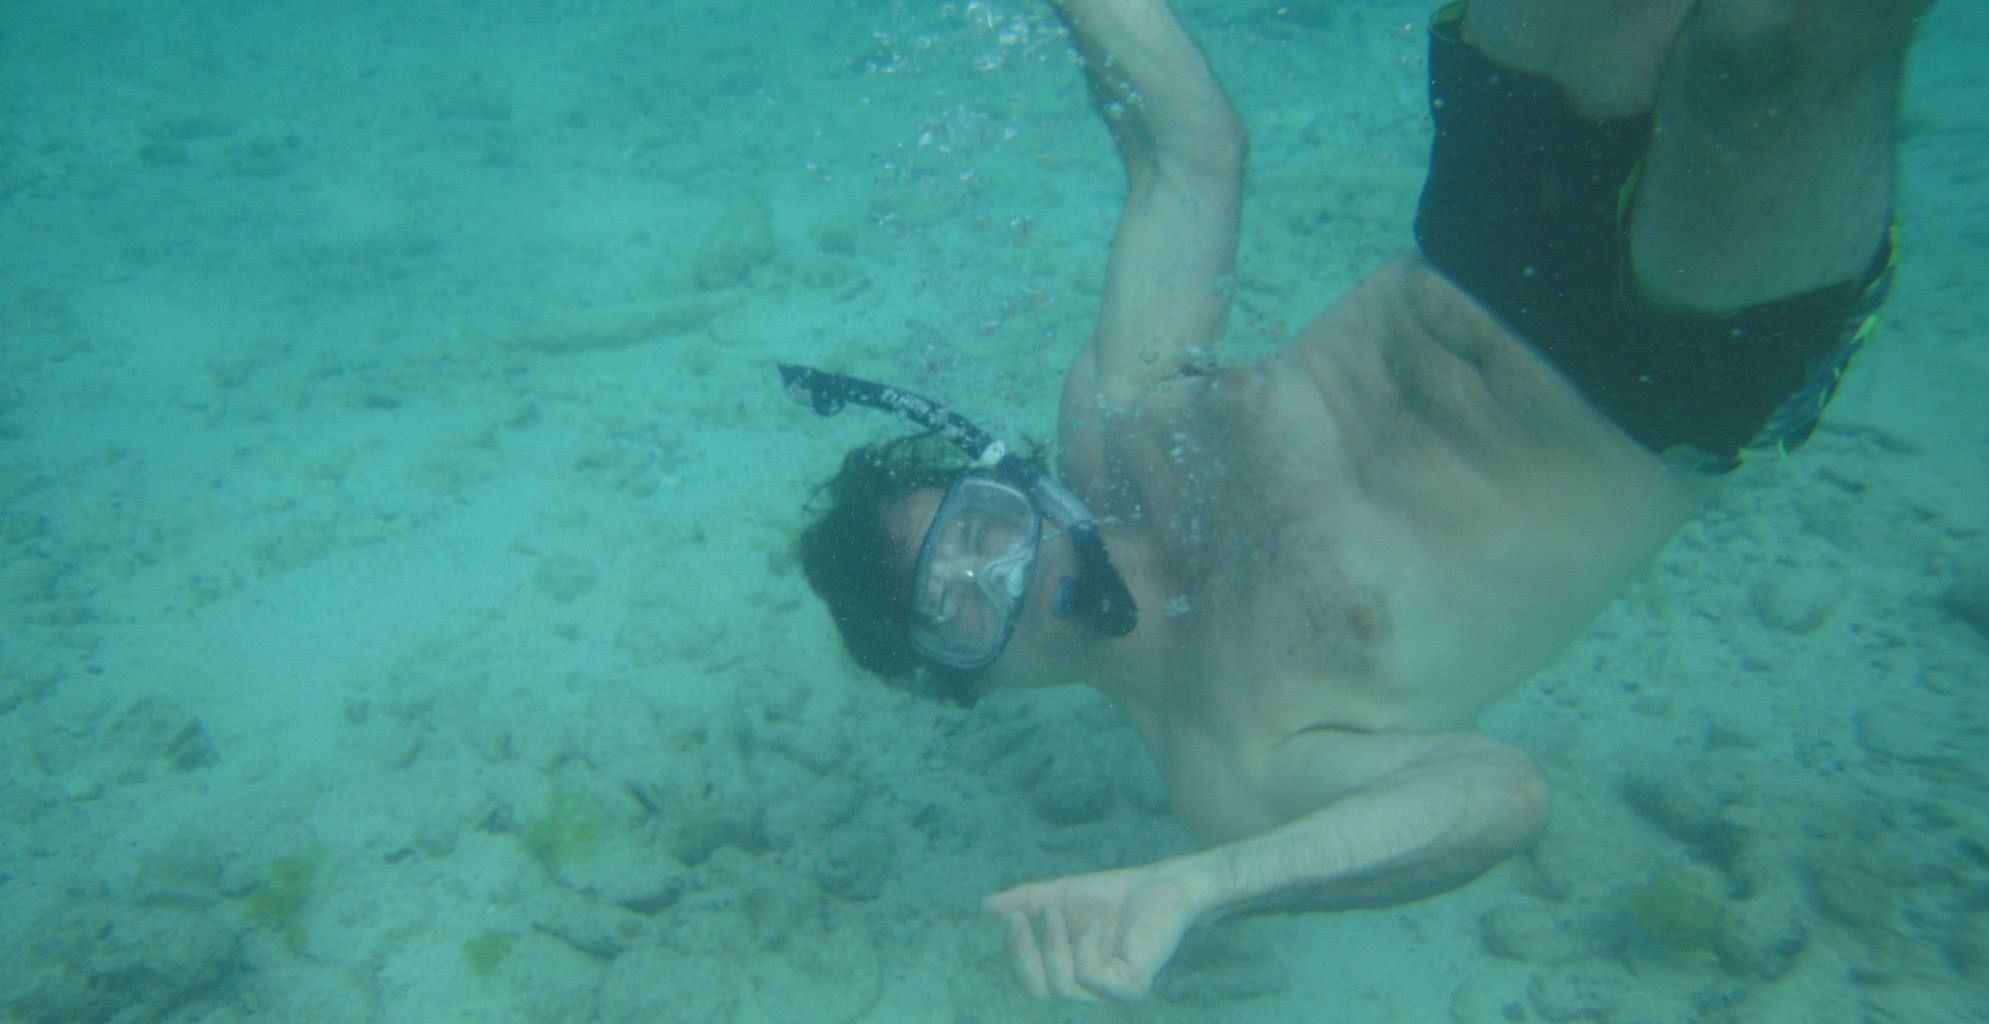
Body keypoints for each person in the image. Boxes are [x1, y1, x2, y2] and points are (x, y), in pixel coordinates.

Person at [785, 0, 1922, 1004]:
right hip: (1663, 379)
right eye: (962, 606)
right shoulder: (1224, 761)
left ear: (1011, 476)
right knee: (1763, 44)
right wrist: (1198, 888)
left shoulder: (1113, 421)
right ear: (971, 682)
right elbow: (1493, 793)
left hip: (1480, 228)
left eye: (980, 528)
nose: (1010, 573)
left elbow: (1187, 157)